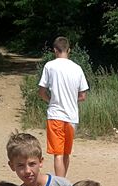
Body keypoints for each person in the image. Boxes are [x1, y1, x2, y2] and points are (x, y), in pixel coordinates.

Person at [38, 36, 89, 178]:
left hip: (55, 114)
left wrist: (50, 100)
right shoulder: (77, 68)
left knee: (58, 154)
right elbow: (83, 96)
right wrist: (71, 99)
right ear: (69, 50)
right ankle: (63, 181)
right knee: (66, 153)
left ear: (55, 50)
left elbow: (41, 91)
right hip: (72, 116)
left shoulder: (50, 66)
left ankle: (60, 183)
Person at [6, 132, 71, 186]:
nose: (27, 171)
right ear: (12, 166)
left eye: (32, 164)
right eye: (20, 165)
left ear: (40, 162)